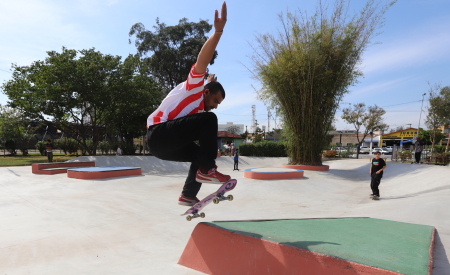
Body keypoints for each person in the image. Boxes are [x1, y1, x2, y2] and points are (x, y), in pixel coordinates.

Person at [146, 2, 235, 207]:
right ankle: (208, 169)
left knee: (201, 154)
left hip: (165, 147)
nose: (215, 105)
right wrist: (218, 32)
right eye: (214, 100)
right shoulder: (194, 87)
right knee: (209, 120)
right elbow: (202, 60)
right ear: (205, 91)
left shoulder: (198, 108)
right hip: (158, 134)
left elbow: (201, 110)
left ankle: (187, 194)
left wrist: (211, 83)